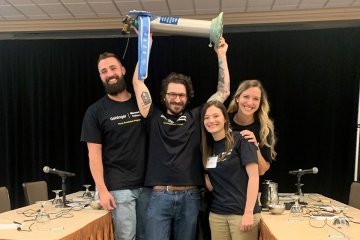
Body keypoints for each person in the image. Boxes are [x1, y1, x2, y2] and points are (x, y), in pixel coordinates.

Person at [132, 37, 230, 240]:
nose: (177, 99)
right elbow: (138, 81)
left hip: (190, 196)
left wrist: (221, 54)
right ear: (164, 96)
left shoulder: (197, 115)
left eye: (182, 95)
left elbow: (224, 91)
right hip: (159, 196)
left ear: (188, 96)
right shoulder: (153, 115)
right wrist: (145, 45)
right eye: (172, 94)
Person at [80, 52, 149, 240]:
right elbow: (93, 154)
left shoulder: (141, 103)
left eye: (113, 68)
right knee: (126, 237)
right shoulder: (95, 111)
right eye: (103, 71)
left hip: (148, 185)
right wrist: (102, 190)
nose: (109, 74)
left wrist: (146, 44)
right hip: (119, 188)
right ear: (100, 77)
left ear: (123, 70)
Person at [200, 100, 261, 240]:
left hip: (241, 214)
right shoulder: (208, 149)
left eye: (216, 116)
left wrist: (248, 213)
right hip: (217, 215)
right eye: (206, 117)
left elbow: (254, 177)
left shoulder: (241, 139)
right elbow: (211, 186)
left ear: (225, 119)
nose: (211, 121)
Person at [227, 79, 277, 175]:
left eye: (256, 99)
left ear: (260, 103)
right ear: (237, 98)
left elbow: (262, 171)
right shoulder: (224, 121)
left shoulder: (264, 129)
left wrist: (255, 147)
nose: (250, 103)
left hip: (248, 185)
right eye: (246, 96)